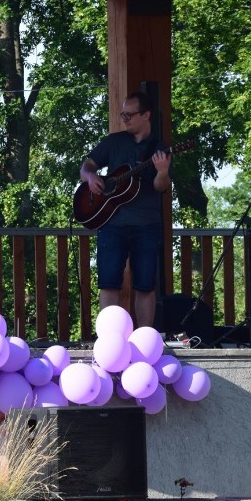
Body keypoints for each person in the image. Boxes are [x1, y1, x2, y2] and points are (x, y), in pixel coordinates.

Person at [79, 91, 172, 328]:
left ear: (146, 115)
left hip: (146, 225)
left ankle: (145, 338)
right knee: (108, 283)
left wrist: (162, 171)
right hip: (111, 224)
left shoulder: (160, 149)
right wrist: (90, 177)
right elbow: (87, 165)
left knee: (145, 284)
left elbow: (160, 187)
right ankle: (108, 336)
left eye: (129, 114)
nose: (125, 119)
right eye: (123, 114)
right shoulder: (114, 142)